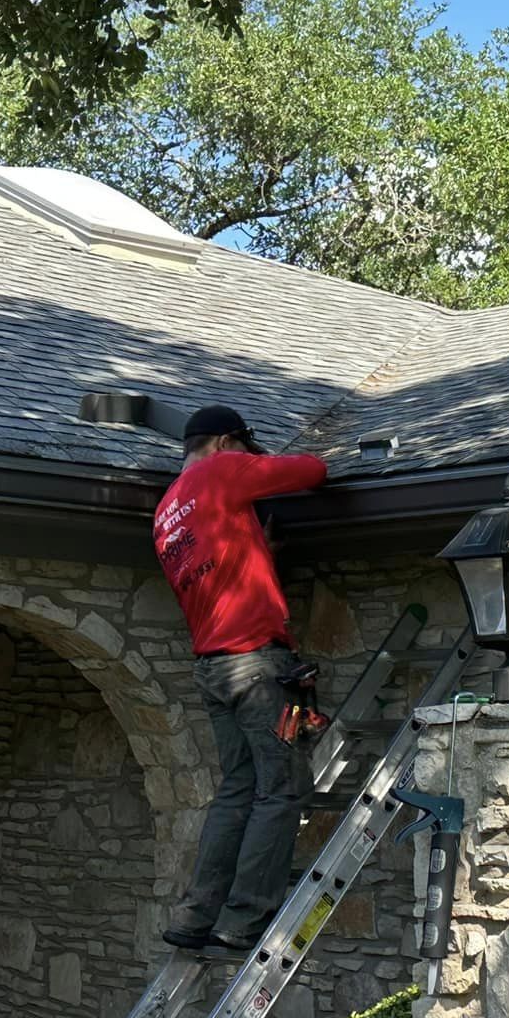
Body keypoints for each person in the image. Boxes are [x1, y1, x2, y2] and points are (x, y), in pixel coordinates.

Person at [152, 405, 329, 950]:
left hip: (213, 666)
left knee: (236, 790)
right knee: (281, 790)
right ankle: (244, 919)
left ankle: (195, 916)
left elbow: (220, 559)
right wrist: (255, 463)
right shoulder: (223, 469)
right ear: (227, 441)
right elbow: (311, 471)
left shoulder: (166, 511)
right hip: (256, 663)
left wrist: (259, 552)